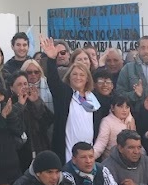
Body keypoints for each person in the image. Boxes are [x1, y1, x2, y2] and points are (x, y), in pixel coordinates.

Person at [38, 36, 107, 164]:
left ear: (87, 78)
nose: (78, 77)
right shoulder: (65, 94)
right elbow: (53, 81)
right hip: (67, 155)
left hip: (88, 156)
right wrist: (51, 59)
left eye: (82, 75)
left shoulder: (94, 99)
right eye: (74, 74)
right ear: (69, 76)